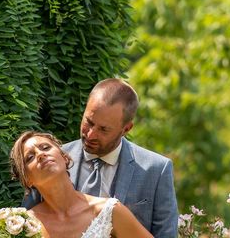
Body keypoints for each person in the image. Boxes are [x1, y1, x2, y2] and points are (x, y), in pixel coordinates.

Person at [23, 78, 178, 237]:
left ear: (126, 128)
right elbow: (28, 225)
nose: (90, 134)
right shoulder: (52, 162)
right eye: (88, 122)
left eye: (103, 129)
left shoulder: (156, 169)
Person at [10, 130, 153, 238]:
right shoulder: (23, 225)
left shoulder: (109, 211)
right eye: (30, 157)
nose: (40, 155)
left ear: (64, 157)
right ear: (27, 179)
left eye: (46, 148)